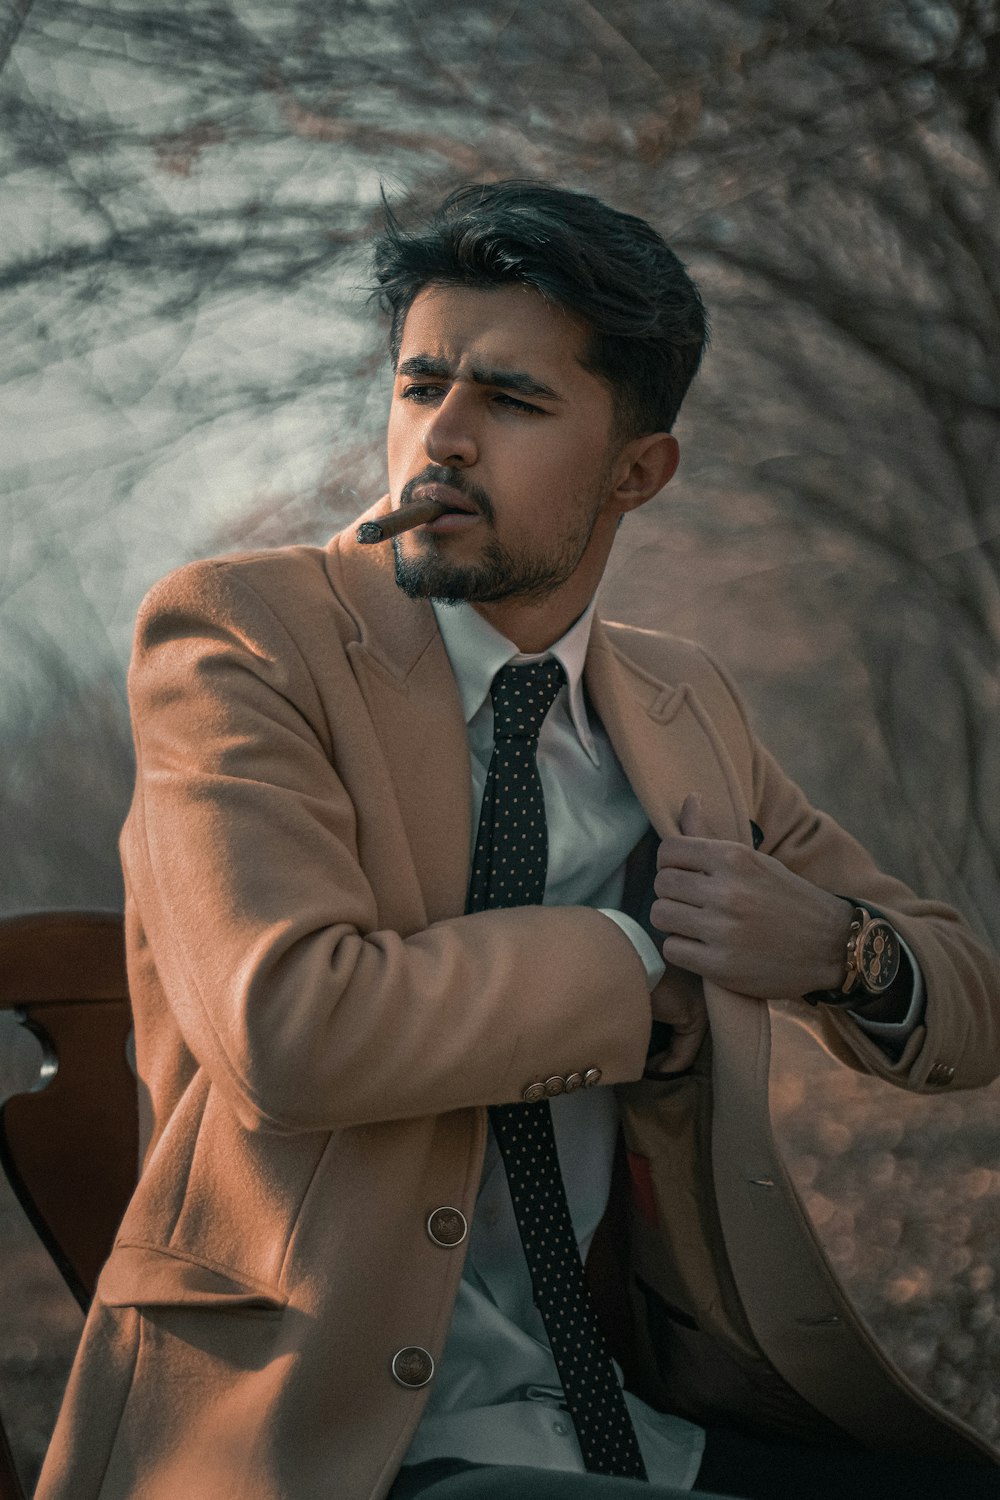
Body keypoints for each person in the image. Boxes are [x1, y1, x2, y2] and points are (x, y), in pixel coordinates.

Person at [37, 182, 1000, 1500]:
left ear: (637, 472)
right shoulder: (241, 637)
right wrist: (633, 969)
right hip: (330, 1438)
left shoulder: (681, 709)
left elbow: (968, 1003)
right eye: (420, 386)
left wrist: (842, 952)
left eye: (513, 400)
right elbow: (291, 1026)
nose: (443, 438)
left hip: (621, 1406)